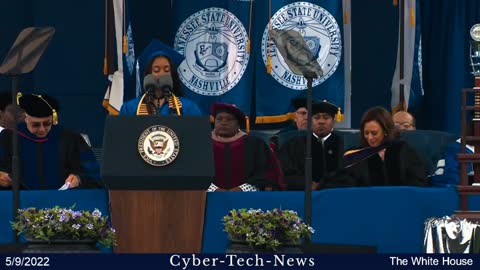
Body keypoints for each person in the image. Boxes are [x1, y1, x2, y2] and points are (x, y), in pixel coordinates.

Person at [0, 93, 100, 189]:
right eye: (36, 125)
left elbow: (92, 171)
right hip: (19, 200)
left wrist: (79, 178)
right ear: (25, 118)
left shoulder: (70, 138)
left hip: (63, 200)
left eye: (47, 123)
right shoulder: (9, 137)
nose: (42, 129)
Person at [340, 107, 428, 187]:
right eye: (366, 133)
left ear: (385, 131)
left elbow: (418, 181)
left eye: (374, 133)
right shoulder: (356, 156)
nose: (370, 138)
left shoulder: (402, 150)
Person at [207, 103, 283, 192]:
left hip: (249, 197)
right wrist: (213, 189)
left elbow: (267, 173)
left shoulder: (255, 144)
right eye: (219, 119)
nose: (223, 122)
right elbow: (193, 175)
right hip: (204, 198)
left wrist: (243, 189)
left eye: (229, 119)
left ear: (238, 124)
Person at [120, 40, 201, 116]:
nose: (162, 74)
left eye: (167, 70)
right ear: (148, 74)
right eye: (156, 70)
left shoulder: (189, 108)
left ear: (172, 75)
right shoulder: (130, 109)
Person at [278, 100, 344, 190]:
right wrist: (307, 184)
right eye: (316, 118)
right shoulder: (294, 145)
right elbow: (285, 174)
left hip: (336, 194)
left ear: (333, 121)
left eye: (326, 117)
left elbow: (350, 174)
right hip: (303, 196)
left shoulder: (343, 144)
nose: (321, 121)